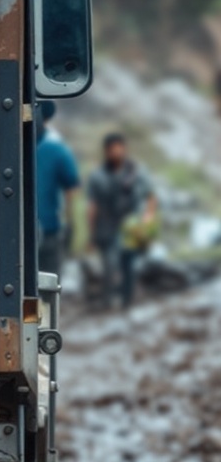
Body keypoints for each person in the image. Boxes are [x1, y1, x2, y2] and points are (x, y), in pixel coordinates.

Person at [86, 132, 156, 310]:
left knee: (129, 266)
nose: (116, 154)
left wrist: (147, 219)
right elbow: (92, 206)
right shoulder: (98, 176)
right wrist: (91, 233)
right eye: (112, 150)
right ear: (106, 152)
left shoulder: (136, 172)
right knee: (109, 266)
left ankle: (127, 302)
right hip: (106, 227)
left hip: (131, 228)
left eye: (119, 149)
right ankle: (107, 301)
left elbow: (150, 196)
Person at [35, 103, 80, 280]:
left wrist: (69, 223)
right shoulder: (58, 150)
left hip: (48, 231)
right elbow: (72, 190)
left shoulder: (56, 150)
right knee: (48, 283)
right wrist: (70, 222)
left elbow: (72, 190)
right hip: (48, 230)